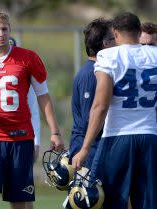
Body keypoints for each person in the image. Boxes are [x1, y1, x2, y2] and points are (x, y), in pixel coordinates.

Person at [0, 10, 64, 209]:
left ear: (10, 31)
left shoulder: (28, 58)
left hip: (20, 137)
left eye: (4, 29)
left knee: (19, 201)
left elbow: (43, 96)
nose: (1, 34)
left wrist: (55, 131)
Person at [72, 12, 157, 209]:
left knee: (114, 202)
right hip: (150, 136)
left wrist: (85, 148)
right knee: (147, 203)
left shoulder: (108, 55)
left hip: (118, 137)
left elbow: (100, 105)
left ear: (115, 33)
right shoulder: (154, 55)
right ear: (138, 32)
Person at [69, 18, 115, 169]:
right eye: (114, 38)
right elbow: (89, 119)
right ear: (105, 44)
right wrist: (85, 150)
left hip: (97, 147)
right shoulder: (91, 74)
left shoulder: (102, 71)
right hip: (89, 149)